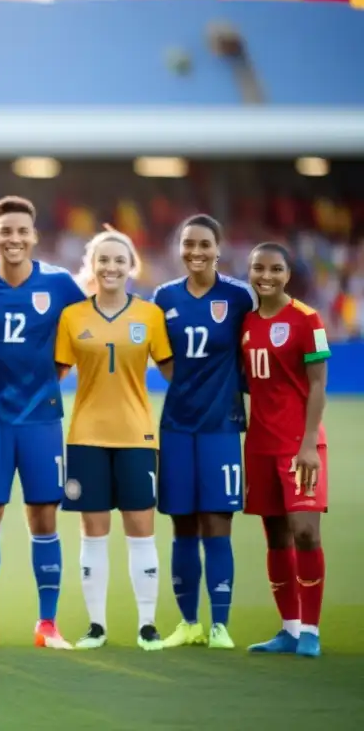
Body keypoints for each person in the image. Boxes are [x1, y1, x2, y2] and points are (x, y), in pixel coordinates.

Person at [0, 196, 86, 649]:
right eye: (5, 231)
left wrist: (55, 375)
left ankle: (47, 624)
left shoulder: (61, 284)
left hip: (42, 421)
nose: (13, 238)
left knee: (44, 515)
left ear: (34, 236)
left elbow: (80, 330)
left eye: (21, 231)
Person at [55, 229, 173, 651]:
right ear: (92, 265)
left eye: (119, 260)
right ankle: (97, 626)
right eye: (103, 260)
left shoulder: (151, 315)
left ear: (131, 266)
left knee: (141, 530)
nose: (111, 267)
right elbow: (55, 375)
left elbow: (175, 372)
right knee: (93, 533)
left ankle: (147, 624)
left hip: (137, 435)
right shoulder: (72, 317)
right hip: (86, 435)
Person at [152, 215, 256, 650]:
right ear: (179, 248)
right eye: (188, 243)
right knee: (182, 525)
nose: (195, 251)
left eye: (204, 244)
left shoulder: (238, 297)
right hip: (176, 426)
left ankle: (220, 625)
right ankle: (188, 622)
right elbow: (159, 354)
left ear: (219, 247)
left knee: (218, 522)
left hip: (221, 428)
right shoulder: (164, 297)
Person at [241, 243, 329, 658]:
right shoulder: (245, 322)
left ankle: (311, 630)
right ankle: (288, 629)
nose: (266, 276)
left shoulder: (307, 319)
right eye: (259, 268)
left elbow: (317, 385)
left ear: (287, 274)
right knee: (276, 536)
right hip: (259, 443)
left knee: (306, 533)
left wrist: (310, 442)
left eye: (275, 269)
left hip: (299, 446)